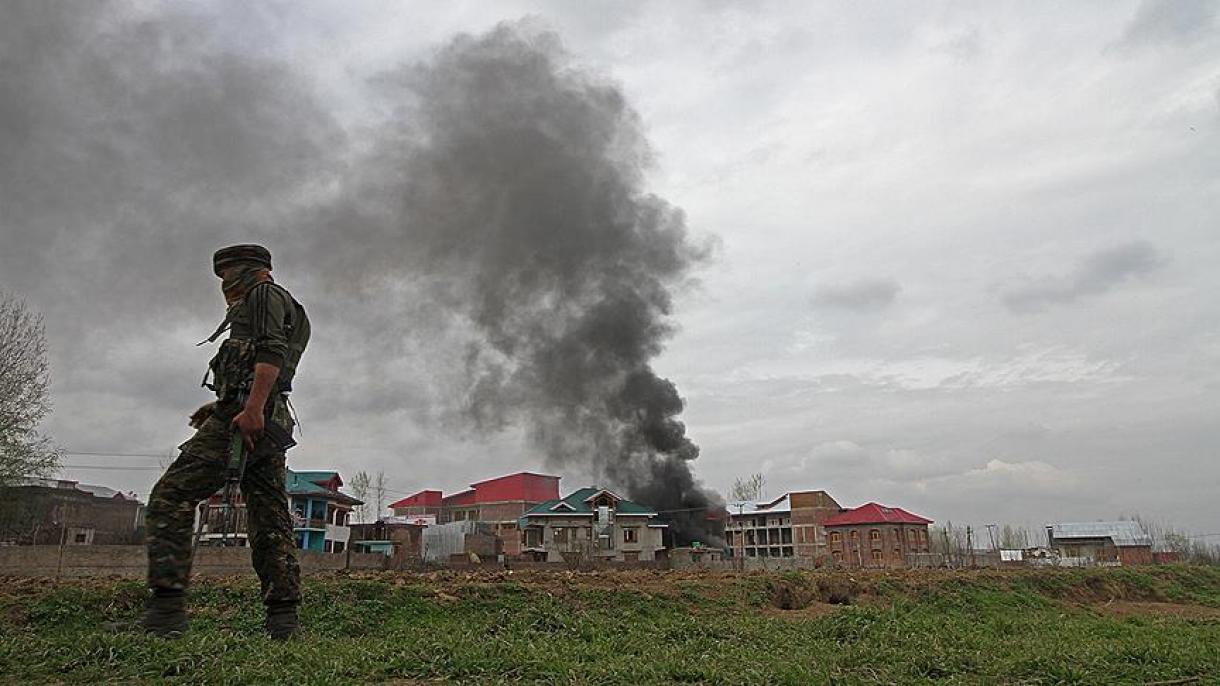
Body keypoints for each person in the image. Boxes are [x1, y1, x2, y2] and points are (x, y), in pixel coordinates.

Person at [142, 244, 310, 639]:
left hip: (250, 419)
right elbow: (259, 361)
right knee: (270, 518)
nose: (224, 286)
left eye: (226, 276)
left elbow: (271, 352)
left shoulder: (263, 296)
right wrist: (229, 404)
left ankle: (166, 615)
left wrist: (249, 408)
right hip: (267, 418)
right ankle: (283, 621)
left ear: (246, 270)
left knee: (170, 496)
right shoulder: (286, 303)